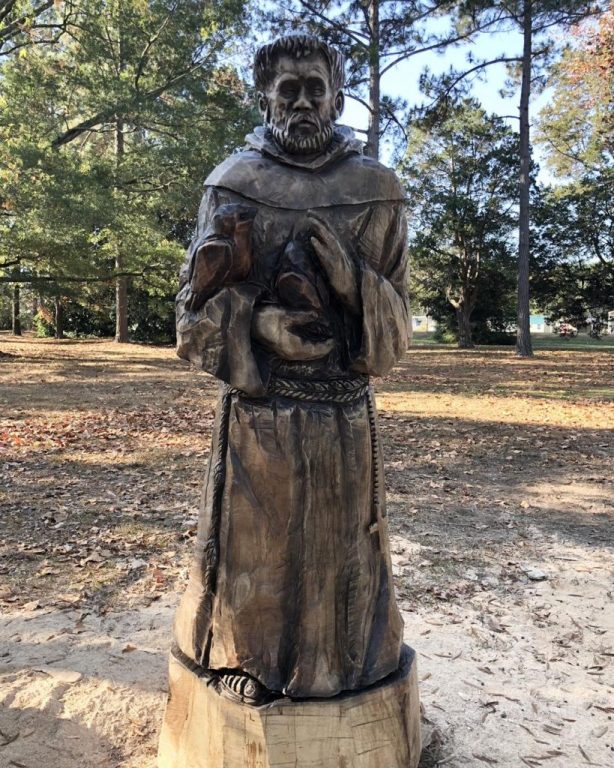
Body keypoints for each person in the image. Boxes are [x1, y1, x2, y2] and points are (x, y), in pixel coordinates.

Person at [172, 33, 410, 704]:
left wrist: (355, 283)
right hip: (259, 424)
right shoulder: (233, 183)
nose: (303, 102)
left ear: (336, 97)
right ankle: (242, 659)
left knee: (340, 559)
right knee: (259, 556)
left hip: (342, 421)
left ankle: (350, 665)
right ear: (265, 97)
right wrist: (258, 324)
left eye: (316, 89)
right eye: (289, 89)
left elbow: (399, 334)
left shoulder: (376, 190)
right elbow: (191, 317)